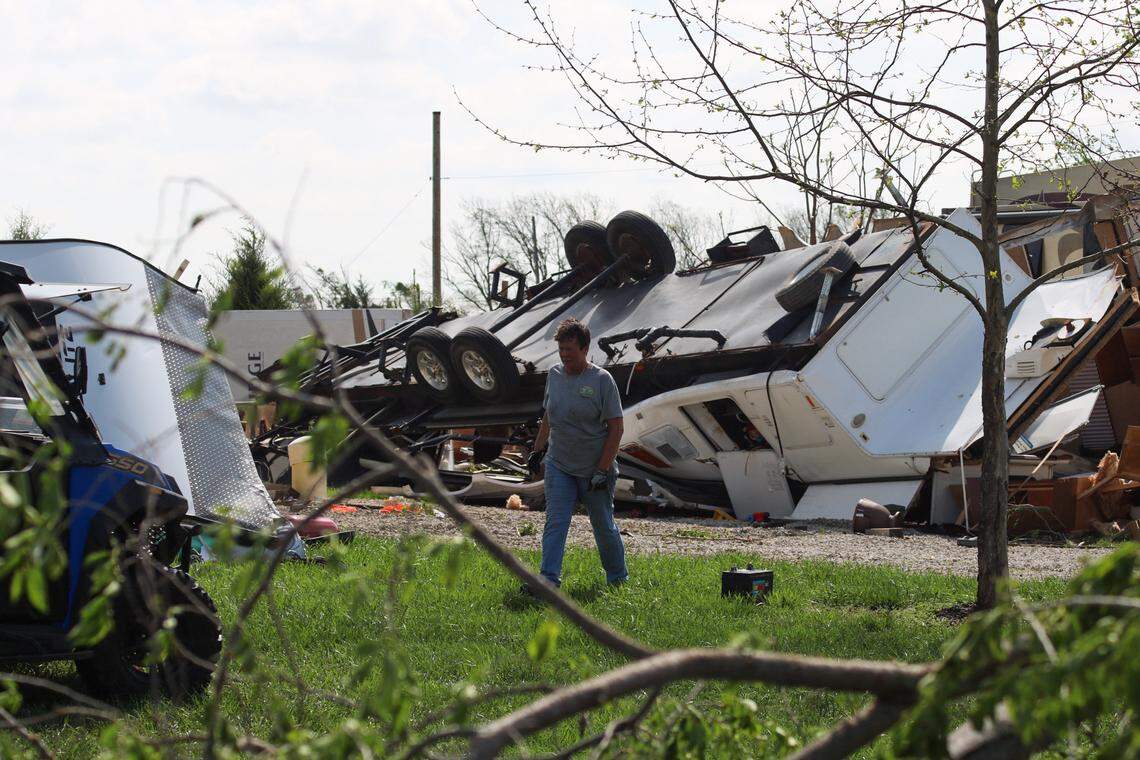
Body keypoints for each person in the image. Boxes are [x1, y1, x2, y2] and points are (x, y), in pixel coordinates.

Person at [526, 318, 627, 590]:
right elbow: (549, 415)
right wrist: (537, 450)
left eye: (570, 349)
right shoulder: (554, 376)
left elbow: (616, 428)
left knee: (603, 526)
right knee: (555, 522)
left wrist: (602, 470)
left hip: (595, 468)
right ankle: (548, 581)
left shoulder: (601, 381)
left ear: (585, 348)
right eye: (561, 349)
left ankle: (618, 578)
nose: (564, 354)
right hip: (560, 463)